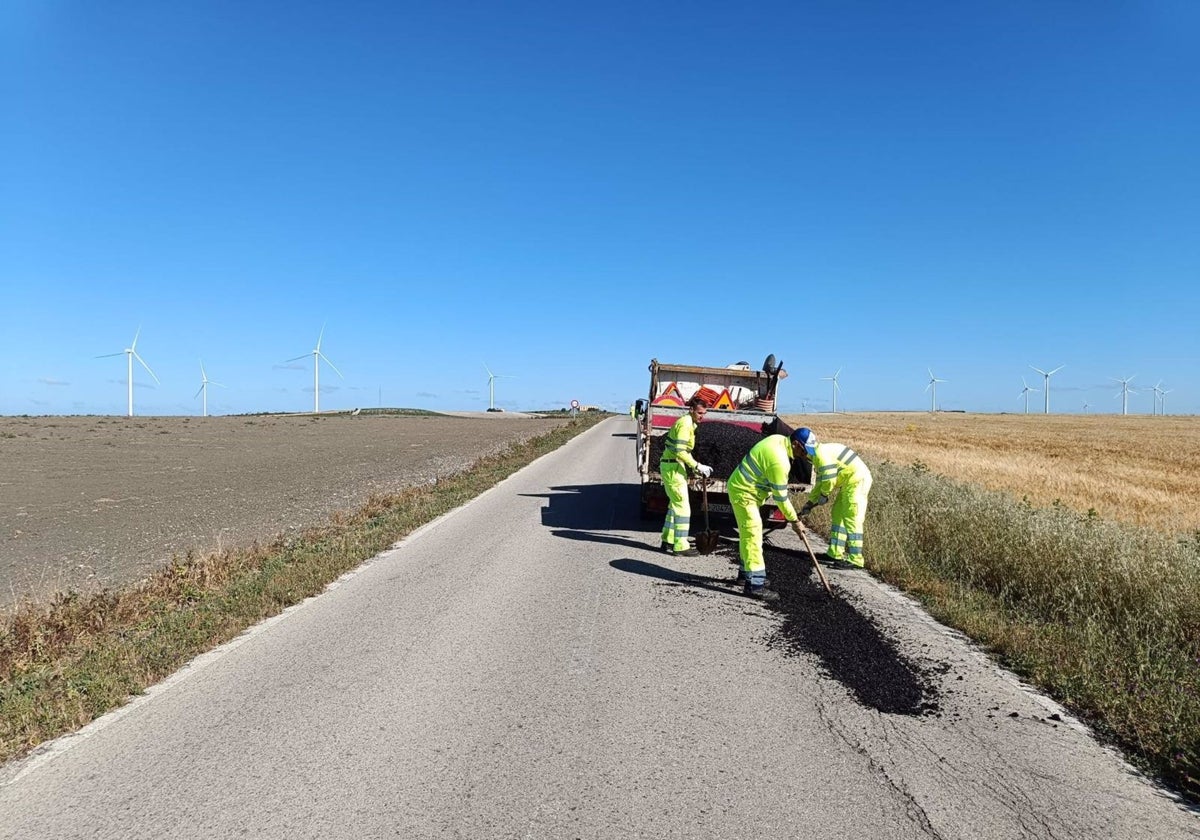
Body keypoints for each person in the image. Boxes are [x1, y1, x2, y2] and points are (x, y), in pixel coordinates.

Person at [726, 429, 808, 601]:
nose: (805, 455)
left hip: (745, 489)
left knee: (747, 535)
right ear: (795, 444)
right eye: (804, 450)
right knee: (753, 535)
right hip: (744, 493)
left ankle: (745, 575)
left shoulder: (779, 440)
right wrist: (795, 521)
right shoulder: (779, 461)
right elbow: (781, 498)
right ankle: (755, 585)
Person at [794, 427, 872, 568]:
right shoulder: (818, 454)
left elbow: (829, 480)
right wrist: (811, 502)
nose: (802, 455)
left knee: (851, 516)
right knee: (838, 514)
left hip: (857, 481)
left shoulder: (821, 455)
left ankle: (856, 559)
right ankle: (835, 552)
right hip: (849, 483)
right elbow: (821, 481)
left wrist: (824, 495)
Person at [659, 397, 714, 556]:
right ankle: (681, 546)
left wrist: (694, 468)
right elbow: (680, 451)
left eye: (704, 413)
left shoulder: (690, 423)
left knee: (674, 505)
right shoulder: (685, 424)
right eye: (699, 412)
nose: (702, 416)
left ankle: (668, 539)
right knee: (683, 507)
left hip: (674, 466)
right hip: (672, 467)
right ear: (691, 410)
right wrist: (697, 465)